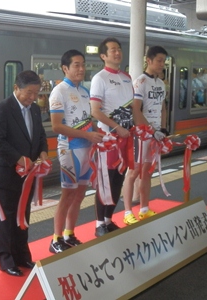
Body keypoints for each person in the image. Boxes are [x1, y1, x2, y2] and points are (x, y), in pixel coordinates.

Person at [0, 70, 48, 277]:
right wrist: (19, 159)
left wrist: (43, 152)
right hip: (6, 175)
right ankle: (6, 260)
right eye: (29, 93)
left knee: (23, 216)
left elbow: (40, 135)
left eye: (36, 93)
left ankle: (22, 256)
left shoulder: (34, 110)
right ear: (16, 88)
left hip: (27, 175)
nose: (32, 98)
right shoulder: (2, 109)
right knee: (6, 218)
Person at [48, 49, 104, 253]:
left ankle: (69, 234)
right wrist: (88, 136)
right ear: (65, 68)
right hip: (69, 149)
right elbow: (56, 126)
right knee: (68, 194)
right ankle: (55, 239)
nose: (81, 69)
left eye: (83, 64)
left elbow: (88, 121)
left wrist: (97, 134)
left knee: (80, 193)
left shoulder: (84, 91)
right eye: (76, 65)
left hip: (86, 150)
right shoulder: (59, 91)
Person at [89, 37, 133, 236]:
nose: (117, 53)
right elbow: (95, 111)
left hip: (126, 137)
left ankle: (108, 219)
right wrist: (116, 127)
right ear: (103, 56)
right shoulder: (100, 78)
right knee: (105, 180)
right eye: (113, 50)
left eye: (119, 49)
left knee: (118, 178)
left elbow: (132, 108)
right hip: (108, 138)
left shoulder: (127, 77)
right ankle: (99, 224)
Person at [122, 46, 168, 225]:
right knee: (134, 172)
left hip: (155, 135)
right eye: (159, 61)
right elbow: (135, 109)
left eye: (164, 61)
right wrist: (151, 130)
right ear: (148, 60)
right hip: (141, 134)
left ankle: (144, 208)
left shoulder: (161, 83)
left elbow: (163, 108)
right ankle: (127, 211)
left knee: (147, 172)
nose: (162, 64)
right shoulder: (140, 81)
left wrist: (163, 129)